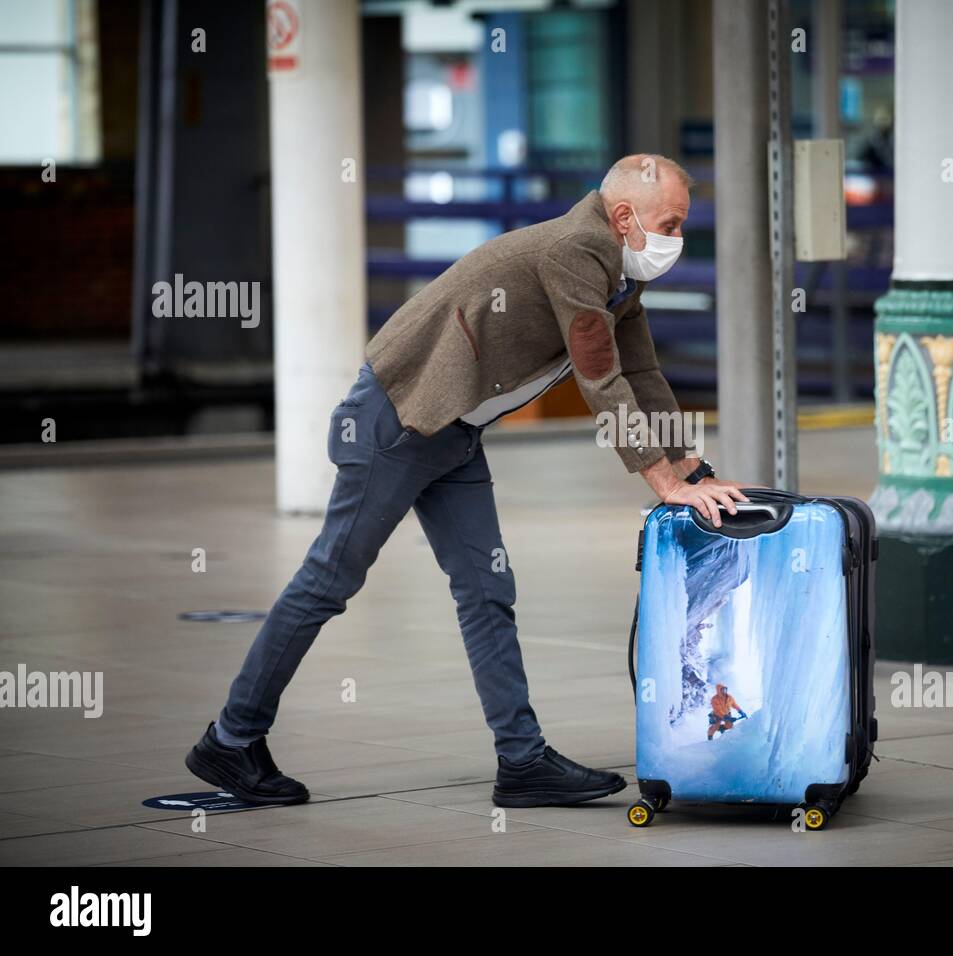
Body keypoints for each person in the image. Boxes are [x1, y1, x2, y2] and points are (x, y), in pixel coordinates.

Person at [185, 154, 750, 808]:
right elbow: (599, 372)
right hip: (399, 418)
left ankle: (522, 761)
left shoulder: (619, 269)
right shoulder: (576, 249)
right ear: (625, 217)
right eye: (670, 224)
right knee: (329, 580)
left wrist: (695, 471)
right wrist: (662, 481)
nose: (676, 240)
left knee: (487, 589)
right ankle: (231, 738)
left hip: (452, 432)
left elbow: (642, 372)